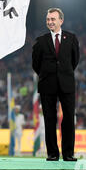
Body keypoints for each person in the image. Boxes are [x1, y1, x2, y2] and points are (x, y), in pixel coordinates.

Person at [32, 8, 79, 161]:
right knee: (49, 119)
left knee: (68, 119)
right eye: (48, 19)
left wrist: (63, 73)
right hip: (47, 85)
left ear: (61, 21)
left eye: (53, 19)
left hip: (67, 84)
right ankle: (52, 153)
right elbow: (36, 64)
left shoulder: (71, 38)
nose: (50, 22)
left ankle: (68, 154)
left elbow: (74, 61)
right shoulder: (40, 41)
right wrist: (47, 75)